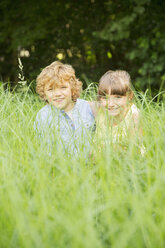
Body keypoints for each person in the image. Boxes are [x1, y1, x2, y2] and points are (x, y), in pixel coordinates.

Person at [34, 61, 96, 156]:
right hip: (61, 168)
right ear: (44, 93)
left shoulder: (89, 108)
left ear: (72, 89)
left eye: (63, 87)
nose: (57, 94)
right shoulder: (43, 116)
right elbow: (44, 150)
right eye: (50, 89)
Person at [95, 70, 144, 153]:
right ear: (100, 98)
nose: (110, 104)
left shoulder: (134, 115)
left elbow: (133, 149)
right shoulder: (100, 110)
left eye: (117, 97)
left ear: (129, 96)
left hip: (129, 161)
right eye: (105, 98)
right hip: (101, 161)